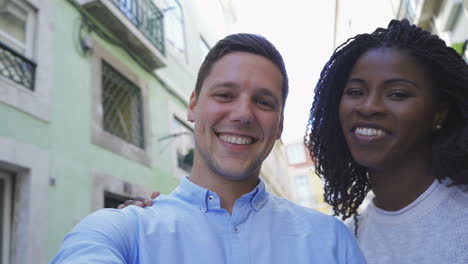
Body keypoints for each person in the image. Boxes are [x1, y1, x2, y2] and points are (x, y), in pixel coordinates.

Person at [52, 33, 366, 263]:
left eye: (263, 102)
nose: (243, 114)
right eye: (225, 95)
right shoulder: (123, 231)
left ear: (280, 125)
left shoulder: (332, 242)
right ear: (193, 105)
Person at [305, 19, 468, 263]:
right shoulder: (344, 243)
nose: (368, 107)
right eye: (356, 92)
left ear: (439, 113)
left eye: (397, 94)